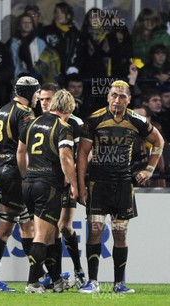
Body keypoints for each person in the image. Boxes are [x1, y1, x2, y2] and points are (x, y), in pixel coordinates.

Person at [77, 80, 165, 294]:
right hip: (98, 184)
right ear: (108, 97)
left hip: (124, 184)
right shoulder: (94, 119)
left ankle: (118, 284)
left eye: (122, 96)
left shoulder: (137, 120)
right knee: (95, 231)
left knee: (120, 234)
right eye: (114, 95)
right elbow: (81, 155)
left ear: (129, 99)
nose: (117, 100)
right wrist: (80, 187)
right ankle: (93, 282)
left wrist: (149, 170)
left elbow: (159, 141)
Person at [0, 76, 40, 292]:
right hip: (14, 173)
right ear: (29, 93)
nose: (37, 98)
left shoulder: (2, 110)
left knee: (21, 225)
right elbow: (23, 149)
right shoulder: (25, 113)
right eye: (36, 93)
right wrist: (26, 177)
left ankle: (37, 275)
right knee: (11, 227)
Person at [19, 89, 78, 293]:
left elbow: (20, 152)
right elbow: (65, 158)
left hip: (29, 182)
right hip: (48, 185)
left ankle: (57, 281)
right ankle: (32, 283)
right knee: (42, 236)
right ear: (68, 109)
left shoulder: (32, 122)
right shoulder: (63, 126)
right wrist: (74, 185)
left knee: (51, 235)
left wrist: (25, 176)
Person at [37, 84, 86, 289]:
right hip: (49, 181)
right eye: (42, 100)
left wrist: (73, 177)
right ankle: (56, 277)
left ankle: (78, 270)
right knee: (50, 232)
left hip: (68, 180)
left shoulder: (75, 123)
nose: (45, 103)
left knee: (64, 226)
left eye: (48, 99)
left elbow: (85, 152)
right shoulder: (39, 122)